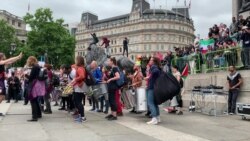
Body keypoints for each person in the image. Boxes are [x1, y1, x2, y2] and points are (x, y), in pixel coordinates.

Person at [26, 56, 46, 122]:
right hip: (38, 84)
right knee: (35, 99)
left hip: (34, 84)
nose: (27, 61)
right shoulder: (38, 66)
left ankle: (34, 116)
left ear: (31, 61)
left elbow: (31, 77)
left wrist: (26, 75)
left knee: (32, 100)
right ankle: (39, 114)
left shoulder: (34, 67)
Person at [70, 56, 87, 123]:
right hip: (79, 86)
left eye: (76, 60)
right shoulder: (81, 68)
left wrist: (75, 79)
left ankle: (82, 117)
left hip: (79, 87)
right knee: (77, 102)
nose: (75, 61)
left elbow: (82, 76)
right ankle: (81, 116)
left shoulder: (80, 68)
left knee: (78, 102)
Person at [146, 57, 161, 125]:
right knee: (155, 103)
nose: (149, 61)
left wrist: (149, 76)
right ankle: (157, 117)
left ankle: (154, 118)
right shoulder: (156, 66)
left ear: (154, 61)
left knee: (150, 103)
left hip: (151, 87)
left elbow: (155, 71)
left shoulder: (153, 66)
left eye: (151, 60)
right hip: (155, 87)